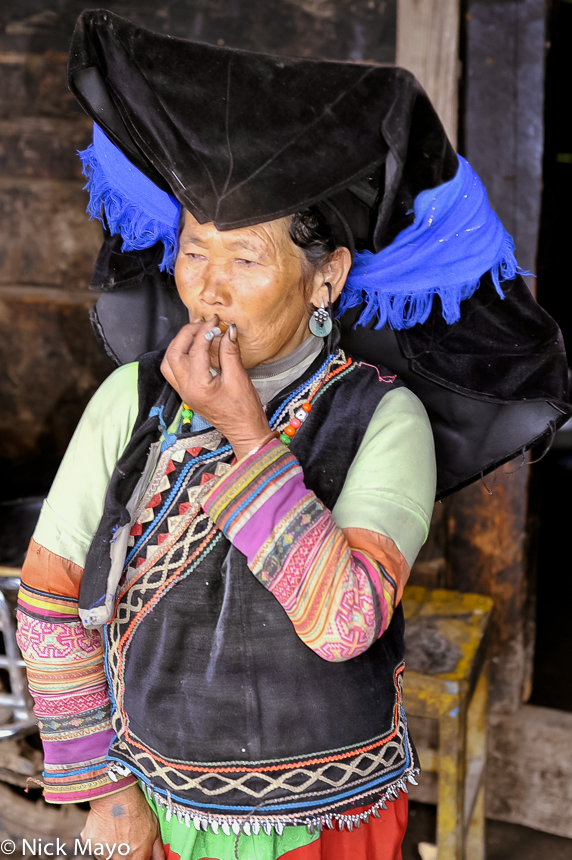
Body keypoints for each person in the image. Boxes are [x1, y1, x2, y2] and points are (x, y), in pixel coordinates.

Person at [15, 9, 571, 860]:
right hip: (150, 808)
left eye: (244, 259)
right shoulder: (130, 400)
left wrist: (245, 434)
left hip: (323, 827)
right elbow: (50, 604)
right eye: (195, 251)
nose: (208, 290)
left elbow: (346, 621)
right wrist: (104, 792)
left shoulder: (386, 419)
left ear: (327, 277)